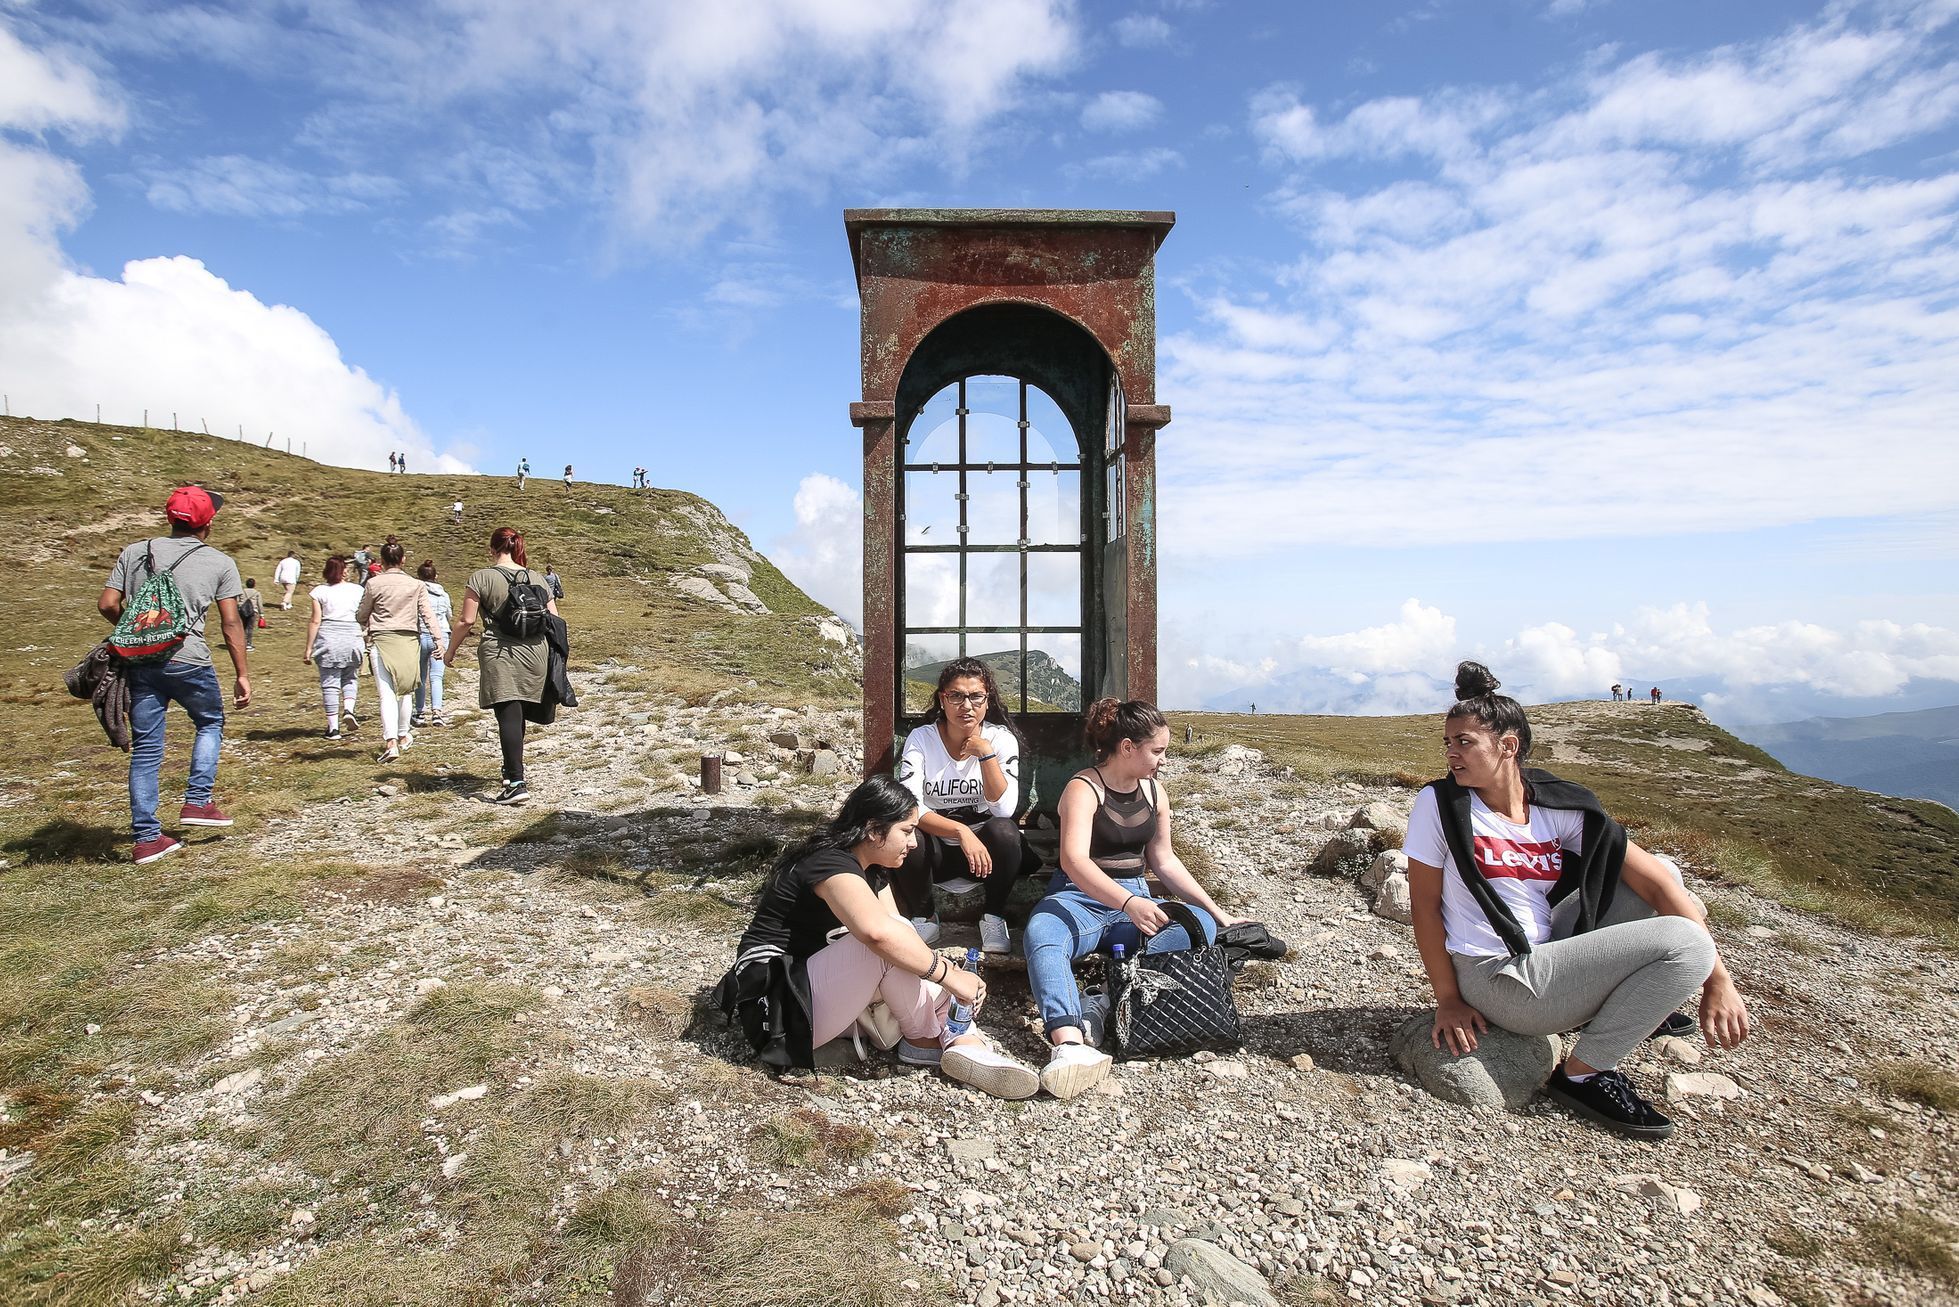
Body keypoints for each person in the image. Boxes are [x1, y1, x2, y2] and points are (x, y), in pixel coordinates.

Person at [1405, 662, 1750, 1141]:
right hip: (1499, 977)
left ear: (1509, 746)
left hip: (1548, 954)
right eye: (1448, 743)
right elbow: (1423, 906)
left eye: (1464, 742)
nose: (1451, 754)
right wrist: (1447, 999)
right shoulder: (1440, 805)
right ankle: (1584, 1074)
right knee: (1688, 943)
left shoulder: (1552, 807)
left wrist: (1720, 982)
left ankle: (1632, 1006)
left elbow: (1655, 884)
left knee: (1666, 874)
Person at [720, 775, 1038, 1096]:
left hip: (810, 995)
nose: (914, 843)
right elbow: (879, 935)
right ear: (874, 830)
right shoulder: (827, 864)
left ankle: (966, 1044)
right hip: (775, 1012)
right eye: (907, 831)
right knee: (885, 943)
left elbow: (900, 932)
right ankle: (926, 1040)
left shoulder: (870, 867)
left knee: (905, 937)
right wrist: (948, 975)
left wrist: (947, 979)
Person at [1023, 698, 1244, 1099]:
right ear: (1127, 747)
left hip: (1137, 900)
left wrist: (1217, 912)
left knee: (1200, 926)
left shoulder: (1155, 792)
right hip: (1079, 898)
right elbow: (1073, 861)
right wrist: (1127, 903)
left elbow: (1164, 860)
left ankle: (1105, 999)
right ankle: (1069, 1043)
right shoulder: (1083, 788)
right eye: (1157, 751)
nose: (1163, 760)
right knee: (1042, 933)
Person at [99, 485, 251, 865]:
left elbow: (107, 604)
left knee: (147, 748)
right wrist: (241, 674)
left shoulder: (135, 551)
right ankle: (198, 801)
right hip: (190, 659)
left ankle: (147, 839)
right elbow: (230, 622)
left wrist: (137, 633)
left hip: (141, 664)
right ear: (208, 523)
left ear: (170, 517)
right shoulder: (219, 562)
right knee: (210, 721)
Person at [893, 657, 1036, 953]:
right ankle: (925, 916)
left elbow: (1003, 809)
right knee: (907, 833)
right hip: (934, 855)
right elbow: (911, 807)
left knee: (1005, 831)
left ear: (987, 701)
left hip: (984, 858)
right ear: (942, 700)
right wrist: (961, 832)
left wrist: (985, 754)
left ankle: (993, 916)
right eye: (956, 696)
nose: (966, 706)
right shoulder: (922, 738)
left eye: (975, 697)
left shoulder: (999, 739)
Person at [442, 526, 558, 804]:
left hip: (500, 651)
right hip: (536, 651)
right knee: (517, 712)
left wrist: (450, 652)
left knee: (507, 712)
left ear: (492, 548)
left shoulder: (481, 577)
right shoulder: (537, 577)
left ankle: (516, 783)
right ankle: (510, 771)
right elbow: (555, 618)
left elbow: (467, 621)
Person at [357, 542, 440, 763]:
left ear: (381, 561)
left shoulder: (374, 584)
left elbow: (361, 614)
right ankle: (403, 735)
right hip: (409, 640)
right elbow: (427, 614)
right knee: (406, 689)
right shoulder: (415, 585)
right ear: (403, 560)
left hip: (382, 640)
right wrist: (438, 640)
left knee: (386, 693)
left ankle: (390, 741)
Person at [302, 555, 366, 739]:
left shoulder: (319, 592)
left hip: (329, 637)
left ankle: (333, 728)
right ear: (343, 571)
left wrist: (308, 648)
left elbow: (315, 620)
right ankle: (349, 709)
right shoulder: (357, 590)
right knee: (350, 677)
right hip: (353, 636)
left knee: (330, 683)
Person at [411, 560, 453, 729]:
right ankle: (437, 712)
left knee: (420, 676)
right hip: (441, 635)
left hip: (420, 634)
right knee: (437, 677)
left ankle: (419, 713)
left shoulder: (416, 592)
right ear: (436, 576)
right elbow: (449, 615)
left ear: (418, 576)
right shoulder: (444, 594)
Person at [238, 579, 262, 652]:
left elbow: (237, 601)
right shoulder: (257, 593)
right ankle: (248, 644)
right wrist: (262, 614)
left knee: (242, 627)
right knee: (250, 628)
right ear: (254, 584)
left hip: (242, 611)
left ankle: (241, 643)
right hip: (252, 612)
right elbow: (260, 604)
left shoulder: (242, 592)